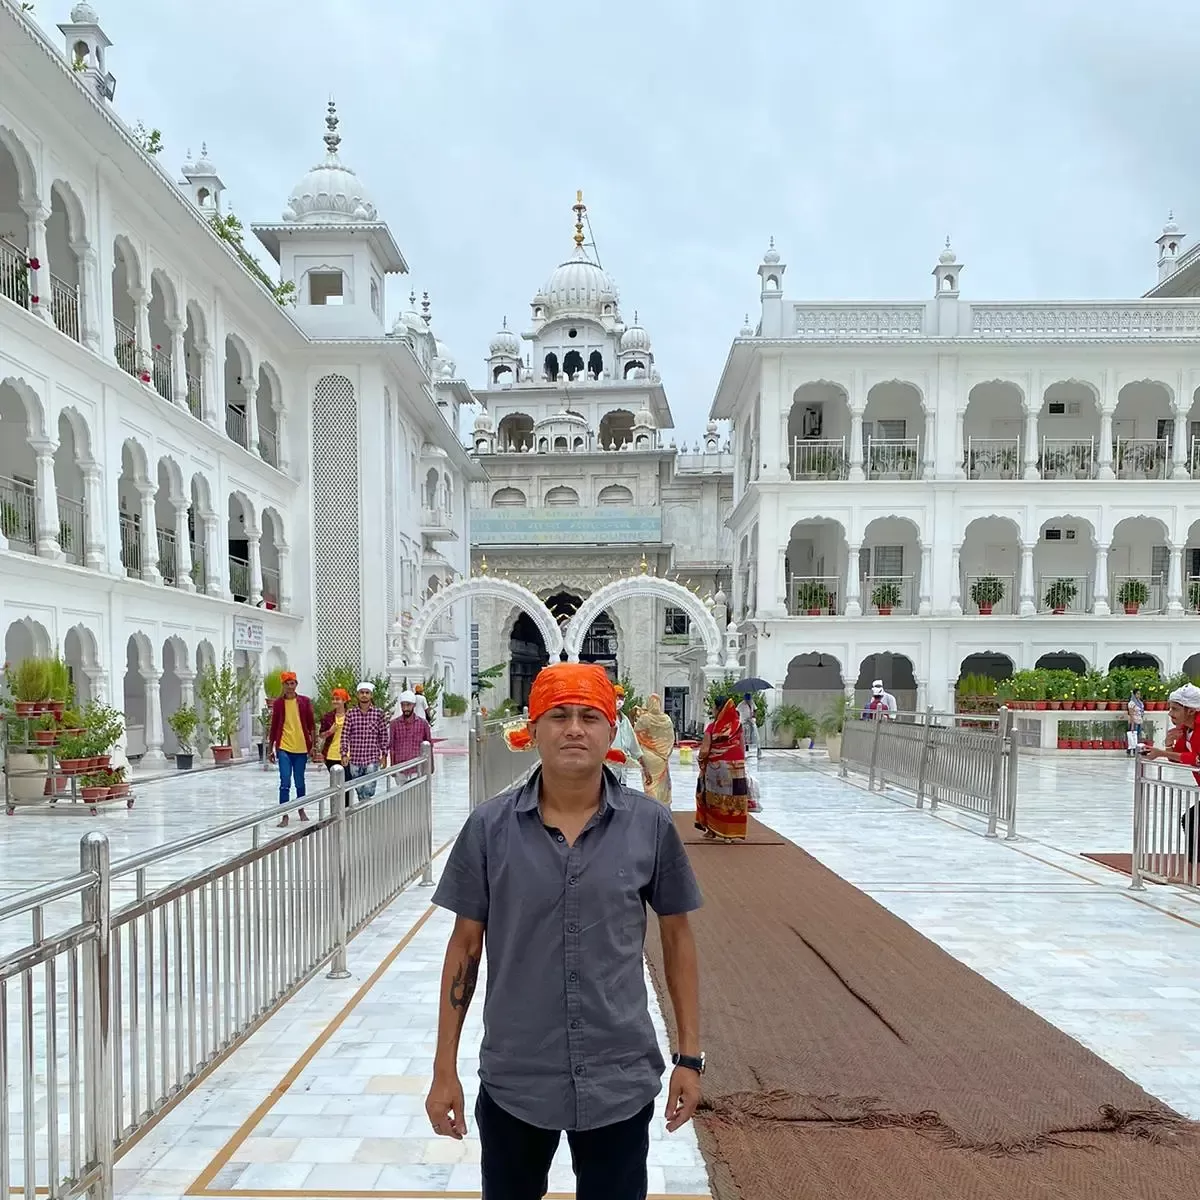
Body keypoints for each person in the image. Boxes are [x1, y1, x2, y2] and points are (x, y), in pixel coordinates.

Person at [426, 662, 704, 1200]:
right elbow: (464, 946)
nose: (574, 729)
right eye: (558, 716)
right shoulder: (490, 827)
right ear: (532, 730)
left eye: (589, 716)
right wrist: (444, 1071)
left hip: (618, 1076)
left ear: (611, 730)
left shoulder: (649, 826)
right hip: (517, 1076)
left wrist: (689, 1057)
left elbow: (678, 938)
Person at [1142, 682, 1200, 863]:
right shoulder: (1185, 730)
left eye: (1175, 709)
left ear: (1190, 710)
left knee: (1192, 820)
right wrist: (1168, 744)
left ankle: (1193, 868)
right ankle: (1193, 866)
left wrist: (1162, 752)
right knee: (1193, 821)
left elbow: (1196, 758)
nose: (1170, 714)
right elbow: (1178, 757)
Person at [695, 698, 748, 842]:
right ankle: (730, 833)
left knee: (712, 797)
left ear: (720, 709)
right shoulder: (738, 726)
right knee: (733, 799)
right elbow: (742, 746)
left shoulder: (713, 728)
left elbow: (705, 750)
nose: (712, 710)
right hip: (736, 768)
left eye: (713, 707)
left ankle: (712, 830)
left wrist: (700, 760)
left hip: (716, 768)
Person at [266, 671, 314, 827]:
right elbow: (274, 727)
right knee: (285, 781)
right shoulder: (279, 703)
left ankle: (301, 809)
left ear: (296, 684)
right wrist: (270, 748)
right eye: (286, 683)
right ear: (283, 685)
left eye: (292, 683)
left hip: (301, 748)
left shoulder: (304, 702)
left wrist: (313, 746)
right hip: (284, 747)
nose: (289, 686)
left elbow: (311, 724)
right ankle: (284, 814)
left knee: (299, 781)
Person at [341, 681, 389, 802]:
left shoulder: (378, 713)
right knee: (359, 789)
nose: (364, 695)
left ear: (371, 695)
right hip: (355, 759)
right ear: (358, 695)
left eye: (367, 693)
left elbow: (383, 735)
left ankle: (365, 812)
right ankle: (364, 812)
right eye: (362, 692)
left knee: (369, 790)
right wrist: (344, 753)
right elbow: (345, 735)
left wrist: (384, 754)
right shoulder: (351, 714)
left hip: (372, 759)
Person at [635, 693, 676, 805]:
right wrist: (665, 753)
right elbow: (671, 739)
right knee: (661, 784)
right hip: (662, 757)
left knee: (650, 782)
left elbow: (636, 735)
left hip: (648, 756)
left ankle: (652, 806)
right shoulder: (666, 719)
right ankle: (663, 806)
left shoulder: (645, 719)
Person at [391, 689, 434, 777]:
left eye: (408, 705)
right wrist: (392, 768)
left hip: (417, 768)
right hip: (400, 768)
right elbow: (392, 746)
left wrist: (431, 766)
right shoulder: (394, 724)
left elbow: (429, 745)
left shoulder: (423, 724)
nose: (405, 708)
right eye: (403, 705)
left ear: (414, 705)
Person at [610, 684, 647, 787]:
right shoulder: (606, 718)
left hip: (622, 772)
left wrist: (645, 769)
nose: (619, 700)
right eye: (616, 697)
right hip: (607, 770)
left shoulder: (625, 720)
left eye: (621, 697)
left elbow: (634, 747)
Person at [318, 687, 350, 776]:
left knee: (347, 783)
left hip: (349, 754)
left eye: (337, 699)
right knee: (336, 783)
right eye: (333, 699)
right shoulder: (328, 717)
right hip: (331, 755)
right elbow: (321, 735)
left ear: (344, 701)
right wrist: (329, 732)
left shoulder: (351, 715)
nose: (335, 701)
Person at [736, 692, 760, 760]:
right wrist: (740, 720)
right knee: (743, 739)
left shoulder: (752, 703)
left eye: (749, 699)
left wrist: (754, 716)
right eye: (747, 700)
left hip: (751, 722)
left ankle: (758, 752)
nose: (748, 701)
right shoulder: (741, 704)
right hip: (743, 723)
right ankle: (742, 753)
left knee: (755, 737)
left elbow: (755, 710)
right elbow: (737, 712)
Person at [1126, 688, 1145, 756]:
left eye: (1139, 694)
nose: (1139, 695)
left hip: (1139, 720)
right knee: (1133, 736)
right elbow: (1131, 713)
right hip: (1134, 721)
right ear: (1134, 694)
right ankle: (1132, 750)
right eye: (1137, 694)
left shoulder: (1140, 702)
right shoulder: (1132, 703)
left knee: (1137, 736)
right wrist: (1132, 723)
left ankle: (1135, 750)